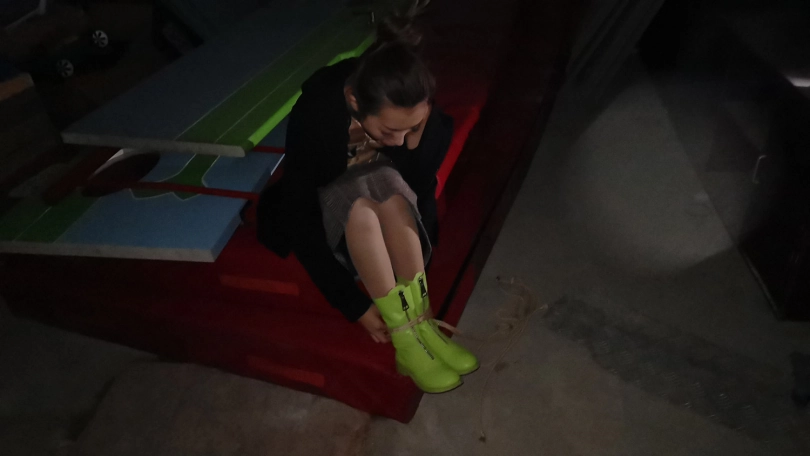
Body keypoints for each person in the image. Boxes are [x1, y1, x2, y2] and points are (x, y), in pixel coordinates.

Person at [257, 1, 477, 393]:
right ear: (356, 102)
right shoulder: (319, 111)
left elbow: (421, 186)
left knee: (392, 196)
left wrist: (418, 136)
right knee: (362, 208)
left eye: (411, 127)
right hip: (333, 200)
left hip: (383, 187)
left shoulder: (411, 104)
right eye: (390, 131)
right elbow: (299, 207)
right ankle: (405, 342)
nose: (400, 140)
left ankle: (421, 322)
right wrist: (353, 304)